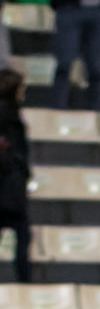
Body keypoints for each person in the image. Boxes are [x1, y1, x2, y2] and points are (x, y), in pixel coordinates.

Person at [0, 68, 29, 284]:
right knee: (23, 237)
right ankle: (25, 281)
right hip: (8, 187)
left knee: (23, 237)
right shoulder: (7, 116)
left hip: (11, 186)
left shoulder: (12, 114)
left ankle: (25, 281)